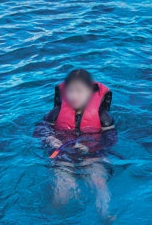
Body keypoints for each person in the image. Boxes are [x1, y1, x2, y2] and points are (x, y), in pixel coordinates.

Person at [37, 69, 117, 219]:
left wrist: (90, 148)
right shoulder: (55, 113)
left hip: (92, 156)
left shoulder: (103, 117)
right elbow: (40, 129)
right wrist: (49, 138)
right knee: (62, 191)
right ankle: (50, 216)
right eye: (70, 91)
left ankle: (105, 214)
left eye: (79, 91)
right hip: (64, 157)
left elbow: (111, 140)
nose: (74, 96)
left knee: (99, 181)